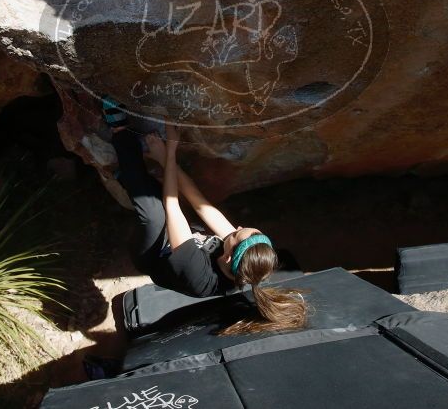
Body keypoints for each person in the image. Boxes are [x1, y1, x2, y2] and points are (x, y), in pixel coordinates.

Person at [103, 96, 307, 335]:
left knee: (154, 213)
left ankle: (120, 132)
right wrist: (167, 159)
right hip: (186, 240)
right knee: (158, 189)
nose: (236, 227)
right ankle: (131, 177)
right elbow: (200, 204)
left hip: (153, 254)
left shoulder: (199, 276)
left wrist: (169, 153)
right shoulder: (241, 256)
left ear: (229, 258)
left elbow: (173, 206)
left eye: (237, 233)